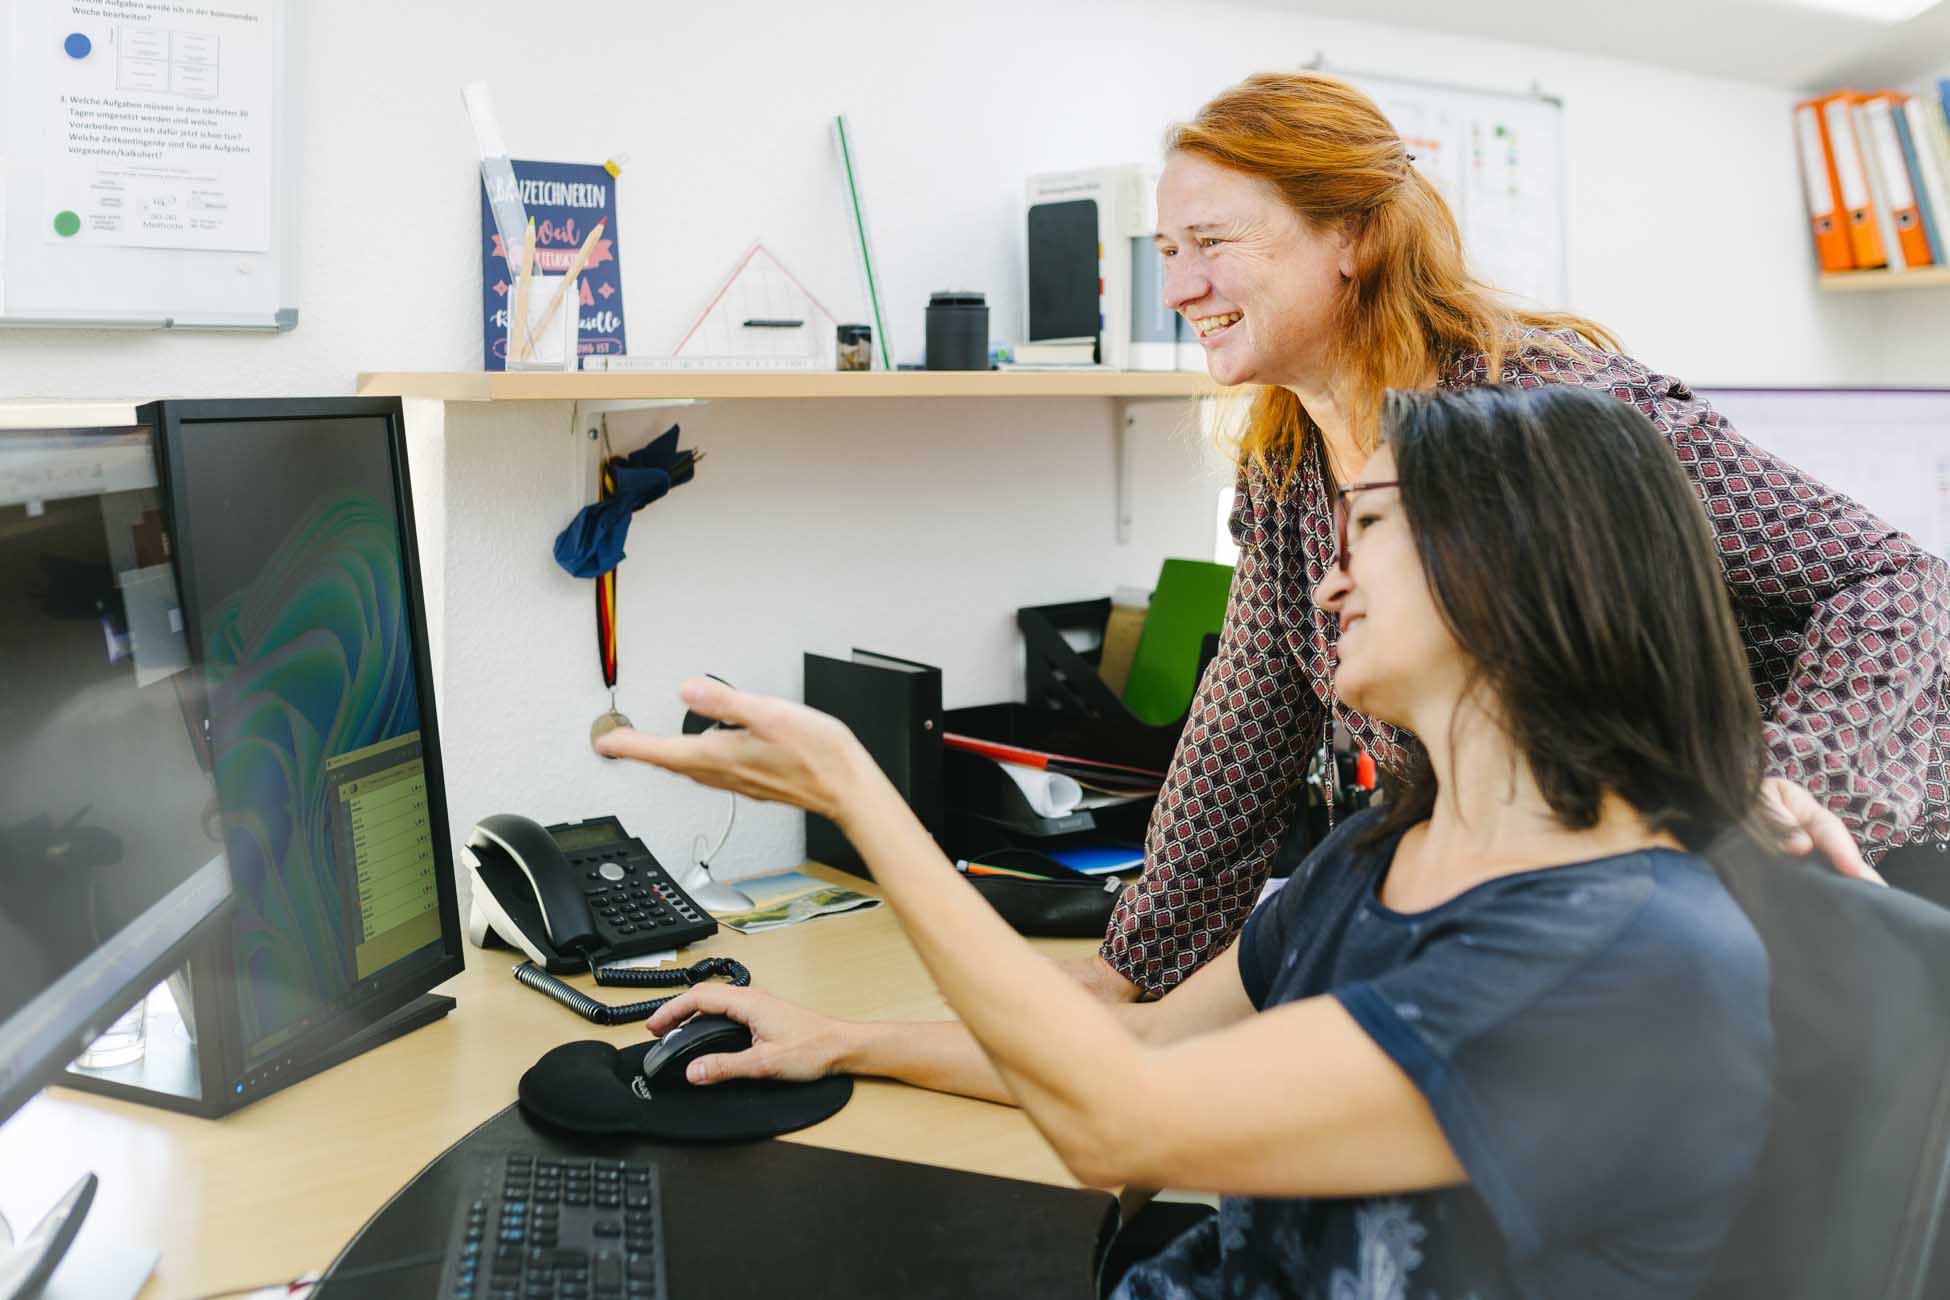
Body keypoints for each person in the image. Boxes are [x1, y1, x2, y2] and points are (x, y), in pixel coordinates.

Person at [599, 384, 1779, 1299]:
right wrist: (840, 1039)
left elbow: (1121, 1119)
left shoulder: (1627, 957)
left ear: (1517, 555)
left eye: (1367, 528)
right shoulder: (1385, 851)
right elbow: (1146, 1042)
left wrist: (864, 797)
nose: (1326, 586)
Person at [1070, 70, 1950, 1002]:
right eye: (1166, 249)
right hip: (1612, 891)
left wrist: (1786, 782)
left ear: (1354, 236)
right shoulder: (1290, 464)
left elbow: (1895, 577)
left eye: (1210, 241)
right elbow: (1242, 733)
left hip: (1851, 862)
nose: (1177, 285)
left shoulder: (1546, 414)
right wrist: (1126, 973)